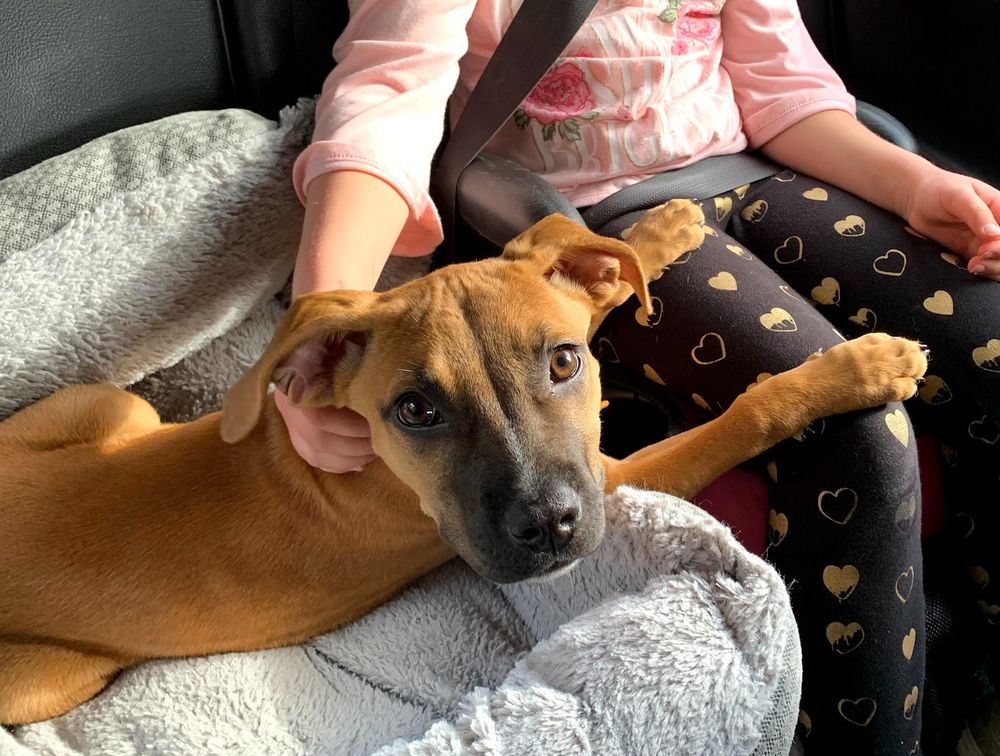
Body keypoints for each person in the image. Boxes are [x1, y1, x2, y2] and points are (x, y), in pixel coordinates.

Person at [279, 1, 1000, 751]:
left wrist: (913, 184)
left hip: (766, 172)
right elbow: (387, 100)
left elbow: (782, 87)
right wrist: (316, 336)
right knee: (855, 423)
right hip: (599, 224)